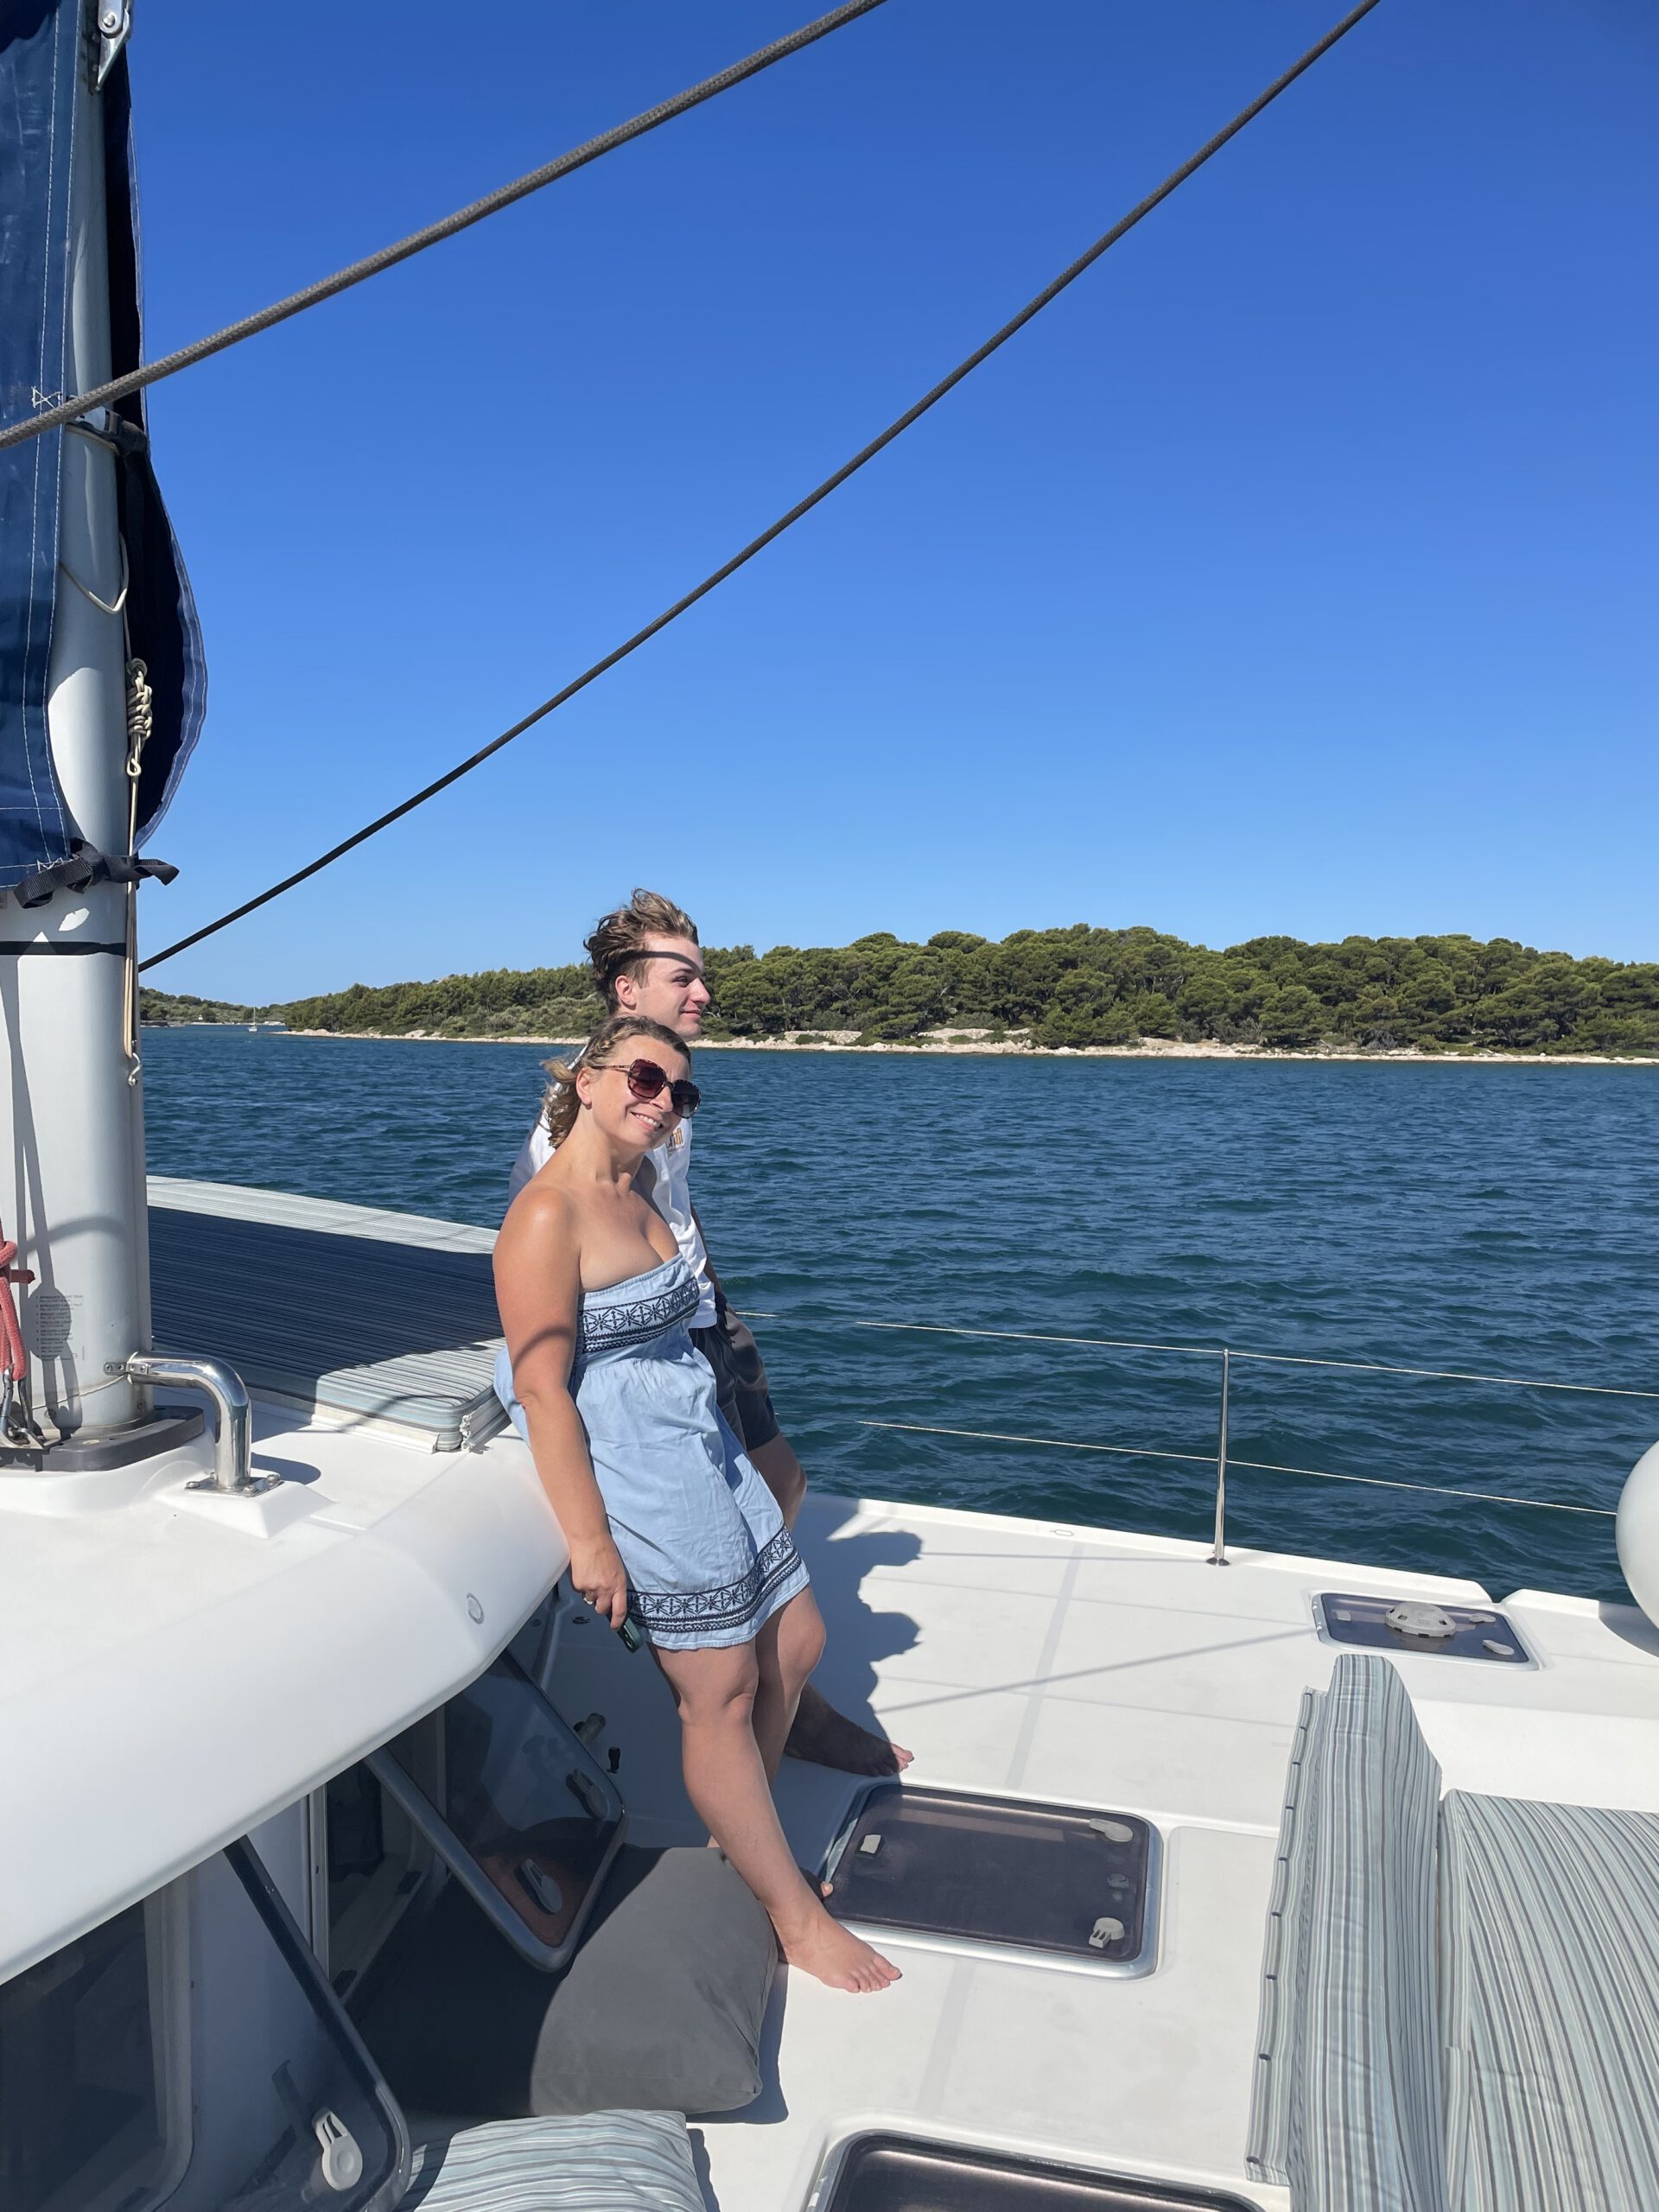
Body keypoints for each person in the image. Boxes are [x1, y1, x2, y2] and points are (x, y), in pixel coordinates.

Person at [493, 1014, 899, 1994]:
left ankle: (740, 1827)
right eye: (642, 1076)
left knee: (795, 1641)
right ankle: (789, 1913)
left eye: (680, 1090)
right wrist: (589, 1540)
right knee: (716, 1695)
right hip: (642, 1463)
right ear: (586, 1079)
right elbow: (543, 1385)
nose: (662, 1099)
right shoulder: (548, 1216)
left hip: (700, 1433)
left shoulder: (637, 1192)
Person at [507, 890, 911, 1779]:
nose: (703, 992)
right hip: (653, 1344)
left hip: (703, 1311)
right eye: (682, 975)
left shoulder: (664, 1088)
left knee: (784, 1478)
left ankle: (781, 1689)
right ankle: (738, 1688)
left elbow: (670, 1214)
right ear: (625, 989)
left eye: (703, 976)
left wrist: (712, 1299)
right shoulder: (587, 1114)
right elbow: (558, 1253)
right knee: (764, 1496)